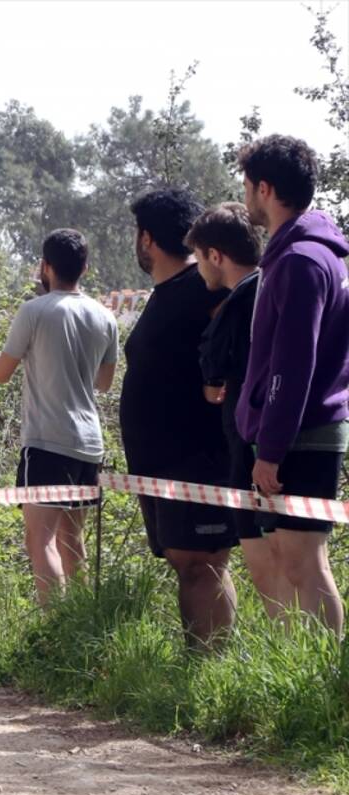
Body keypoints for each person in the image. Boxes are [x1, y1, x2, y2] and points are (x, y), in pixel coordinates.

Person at [237, 135, 349, 635]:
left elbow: (292, 365)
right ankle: (303, 672)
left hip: (306, 433)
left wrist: (272, 449)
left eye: (246, 185)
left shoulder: (302, 261)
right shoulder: (300, 255)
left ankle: (329, 685)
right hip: (299, 431)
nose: (243, 196)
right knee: (288, 555)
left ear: (265, 188)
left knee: (305, 560)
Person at [121, 189, 239, 650]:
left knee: (203, 566)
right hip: (164, 467)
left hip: (198, 463)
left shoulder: (205, 288)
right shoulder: (167, 293)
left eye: (137, 234)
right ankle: (203, 669)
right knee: (188, 566)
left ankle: (213, 670)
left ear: (147, 238)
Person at [0, 229, 118, 605]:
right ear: (86, 268)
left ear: (45, 267)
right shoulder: (105, 316)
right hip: (88, 443)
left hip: (47, 440)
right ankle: (78, 620)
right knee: (71, 539)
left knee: (39, 539)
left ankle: (54, 628)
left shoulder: (34, 311)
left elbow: (0, 374)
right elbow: (104, 383)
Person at [188, 202, 291, 618]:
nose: (198, 268)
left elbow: (214, 369)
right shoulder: (266, 289)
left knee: (272, 564)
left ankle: (293, 661)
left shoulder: (246, 298)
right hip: (255, 442)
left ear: (216, 256)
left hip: (252, 447)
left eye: (199, 257)